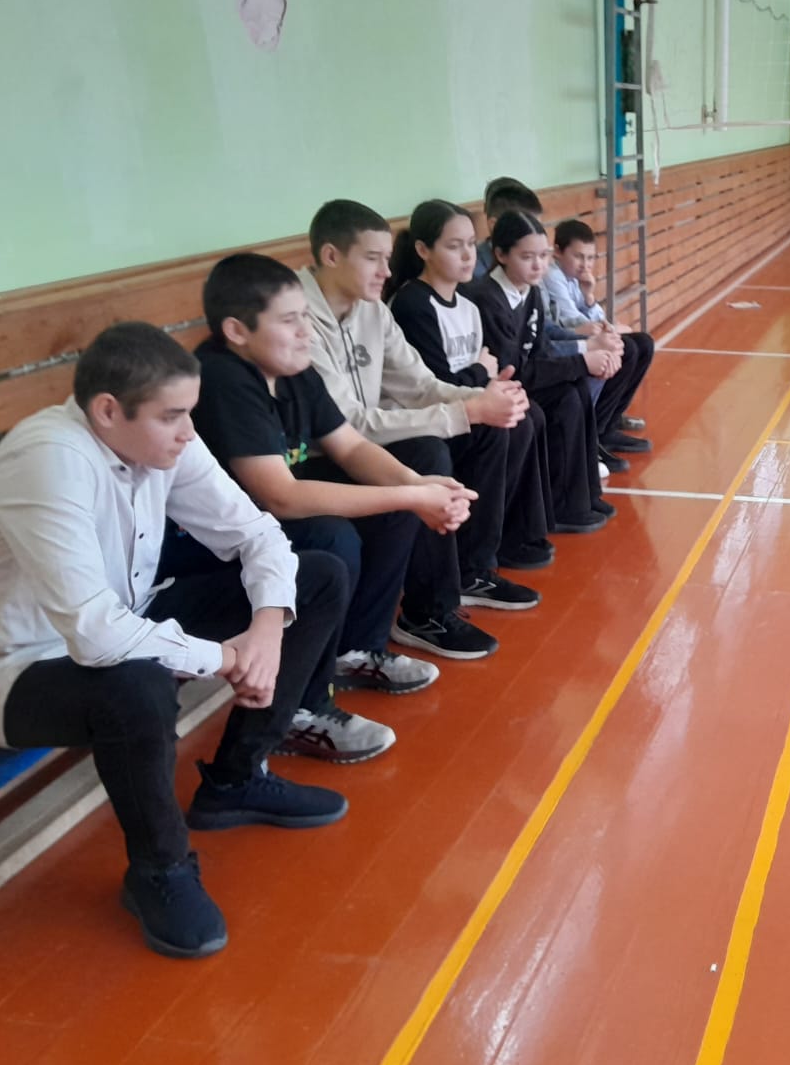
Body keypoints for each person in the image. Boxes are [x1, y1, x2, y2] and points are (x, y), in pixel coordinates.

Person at [0, 322, 348, 958]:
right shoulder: (48, 461)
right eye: (172, 416)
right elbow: (95, 635)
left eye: (189, 413)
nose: (188, 432)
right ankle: (160, 869)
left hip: (124, 617)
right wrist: (224, 657)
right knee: (138, 683)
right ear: (107, 410)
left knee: (317, 578)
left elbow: (258, 534)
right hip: (16, 667)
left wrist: (266, 631)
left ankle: (236, 780)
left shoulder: (158, 439)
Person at [183, 253, 481, 759]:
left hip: (270, 515)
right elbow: (278, 494)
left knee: (399, 483)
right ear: (236, 331)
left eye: (305, 316)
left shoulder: (292, 368)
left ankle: (355, 650)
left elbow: (350, 447)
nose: (305, 331)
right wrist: (412, 496)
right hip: (210, 545)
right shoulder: (223, 378)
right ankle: (300, 707)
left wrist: (419, 487)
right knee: (331, 534)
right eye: (289, 320)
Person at [297, 200, 525, 659]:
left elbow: (420, 385)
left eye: (387, 258)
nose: (387, 271)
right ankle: (423, 615)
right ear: (331, 256)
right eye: (373, 258)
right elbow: (346, 424)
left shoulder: (373, 311)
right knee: (425, 453)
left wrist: (482, 399)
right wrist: (466, 412)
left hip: (359, 447)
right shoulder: (296, 317)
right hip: (312, 460)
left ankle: (470, 573)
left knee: (490, 428)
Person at [385, 199, 557, 570]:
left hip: (463, 404)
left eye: (470, 244)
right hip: (424, 420)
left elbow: (484, 373)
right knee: (502, 429)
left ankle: (507, 537)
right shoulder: (413, 305)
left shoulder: (467, 306)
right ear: (423, 250)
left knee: (524, 414)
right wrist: (481, 373)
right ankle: (473, 562)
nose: (467, 255)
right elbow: (431, 386)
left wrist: (496, 385)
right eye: (454, 246)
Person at [466, 210, 614, 532]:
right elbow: (513, 369)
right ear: (501, 255)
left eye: (544, 256)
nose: (539, 266)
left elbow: (541, 349)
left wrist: (583, 362)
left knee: (577, 388)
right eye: (527, 257)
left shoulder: (531, 291)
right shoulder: (487, 299)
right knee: (564, 400)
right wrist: (582, 361)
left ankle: (583, 494)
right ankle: (561, 505)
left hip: (524, 377)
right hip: (498, 387)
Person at [545, 219, 654, 459]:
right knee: (627, 348)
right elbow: (573, 321)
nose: (585, 264)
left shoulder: (574, 278)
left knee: (643, 343)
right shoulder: (552, 276)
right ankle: (597, 430)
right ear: (558, 252)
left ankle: (610, 421)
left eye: (590, 258)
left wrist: (589, 296)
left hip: (582, 334)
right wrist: (612, 330)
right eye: (578, 256)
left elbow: (594, 318)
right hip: (564, 342)